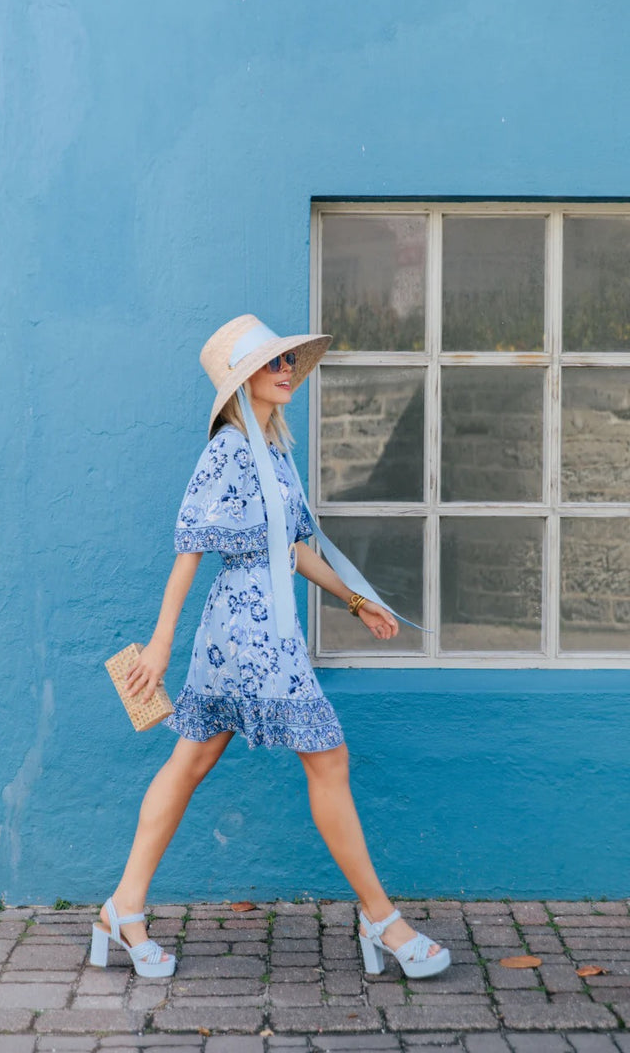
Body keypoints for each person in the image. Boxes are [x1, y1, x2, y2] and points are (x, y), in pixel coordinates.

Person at [90, 315, 450, 981]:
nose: (287, 373)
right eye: (274, 364)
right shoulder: (227, 449)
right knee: (320, 758)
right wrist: (160, 644)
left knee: (192, 764)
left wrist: (354, 599)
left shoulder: (275, 449)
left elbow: (295, 549)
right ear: (244, 380)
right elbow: (190, 551)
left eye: (288, 363)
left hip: (269, 633)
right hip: (242, 635)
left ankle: (123, 906)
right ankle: (382, 920)